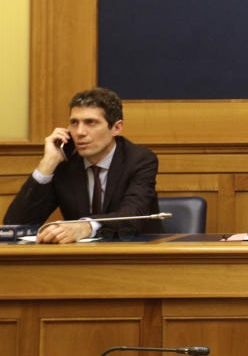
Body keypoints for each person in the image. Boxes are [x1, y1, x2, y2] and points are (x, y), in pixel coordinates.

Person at [3, 87, 160, 243]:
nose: (79, 132)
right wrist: (47, 164)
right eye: (74, 123)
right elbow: (14, 226)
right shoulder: (65, 164)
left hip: (137, 253)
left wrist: (87, 226)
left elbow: (133, 215)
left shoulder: (140, 159)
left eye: (90, 122)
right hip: (79, 259)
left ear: (116, 128)